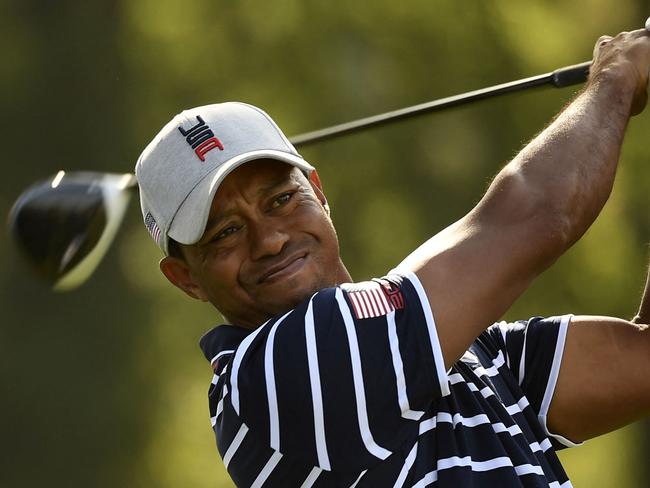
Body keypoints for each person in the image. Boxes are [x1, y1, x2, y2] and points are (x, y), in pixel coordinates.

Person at [134, 28, 650, 487]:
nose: (268, 240)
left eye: (281, 199)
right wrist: (618, 75)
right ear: (185, 278)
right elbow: (540, 215)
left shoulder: (470, 356)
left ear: (318, 191)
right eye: (225, 231)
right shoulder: (270, 382)